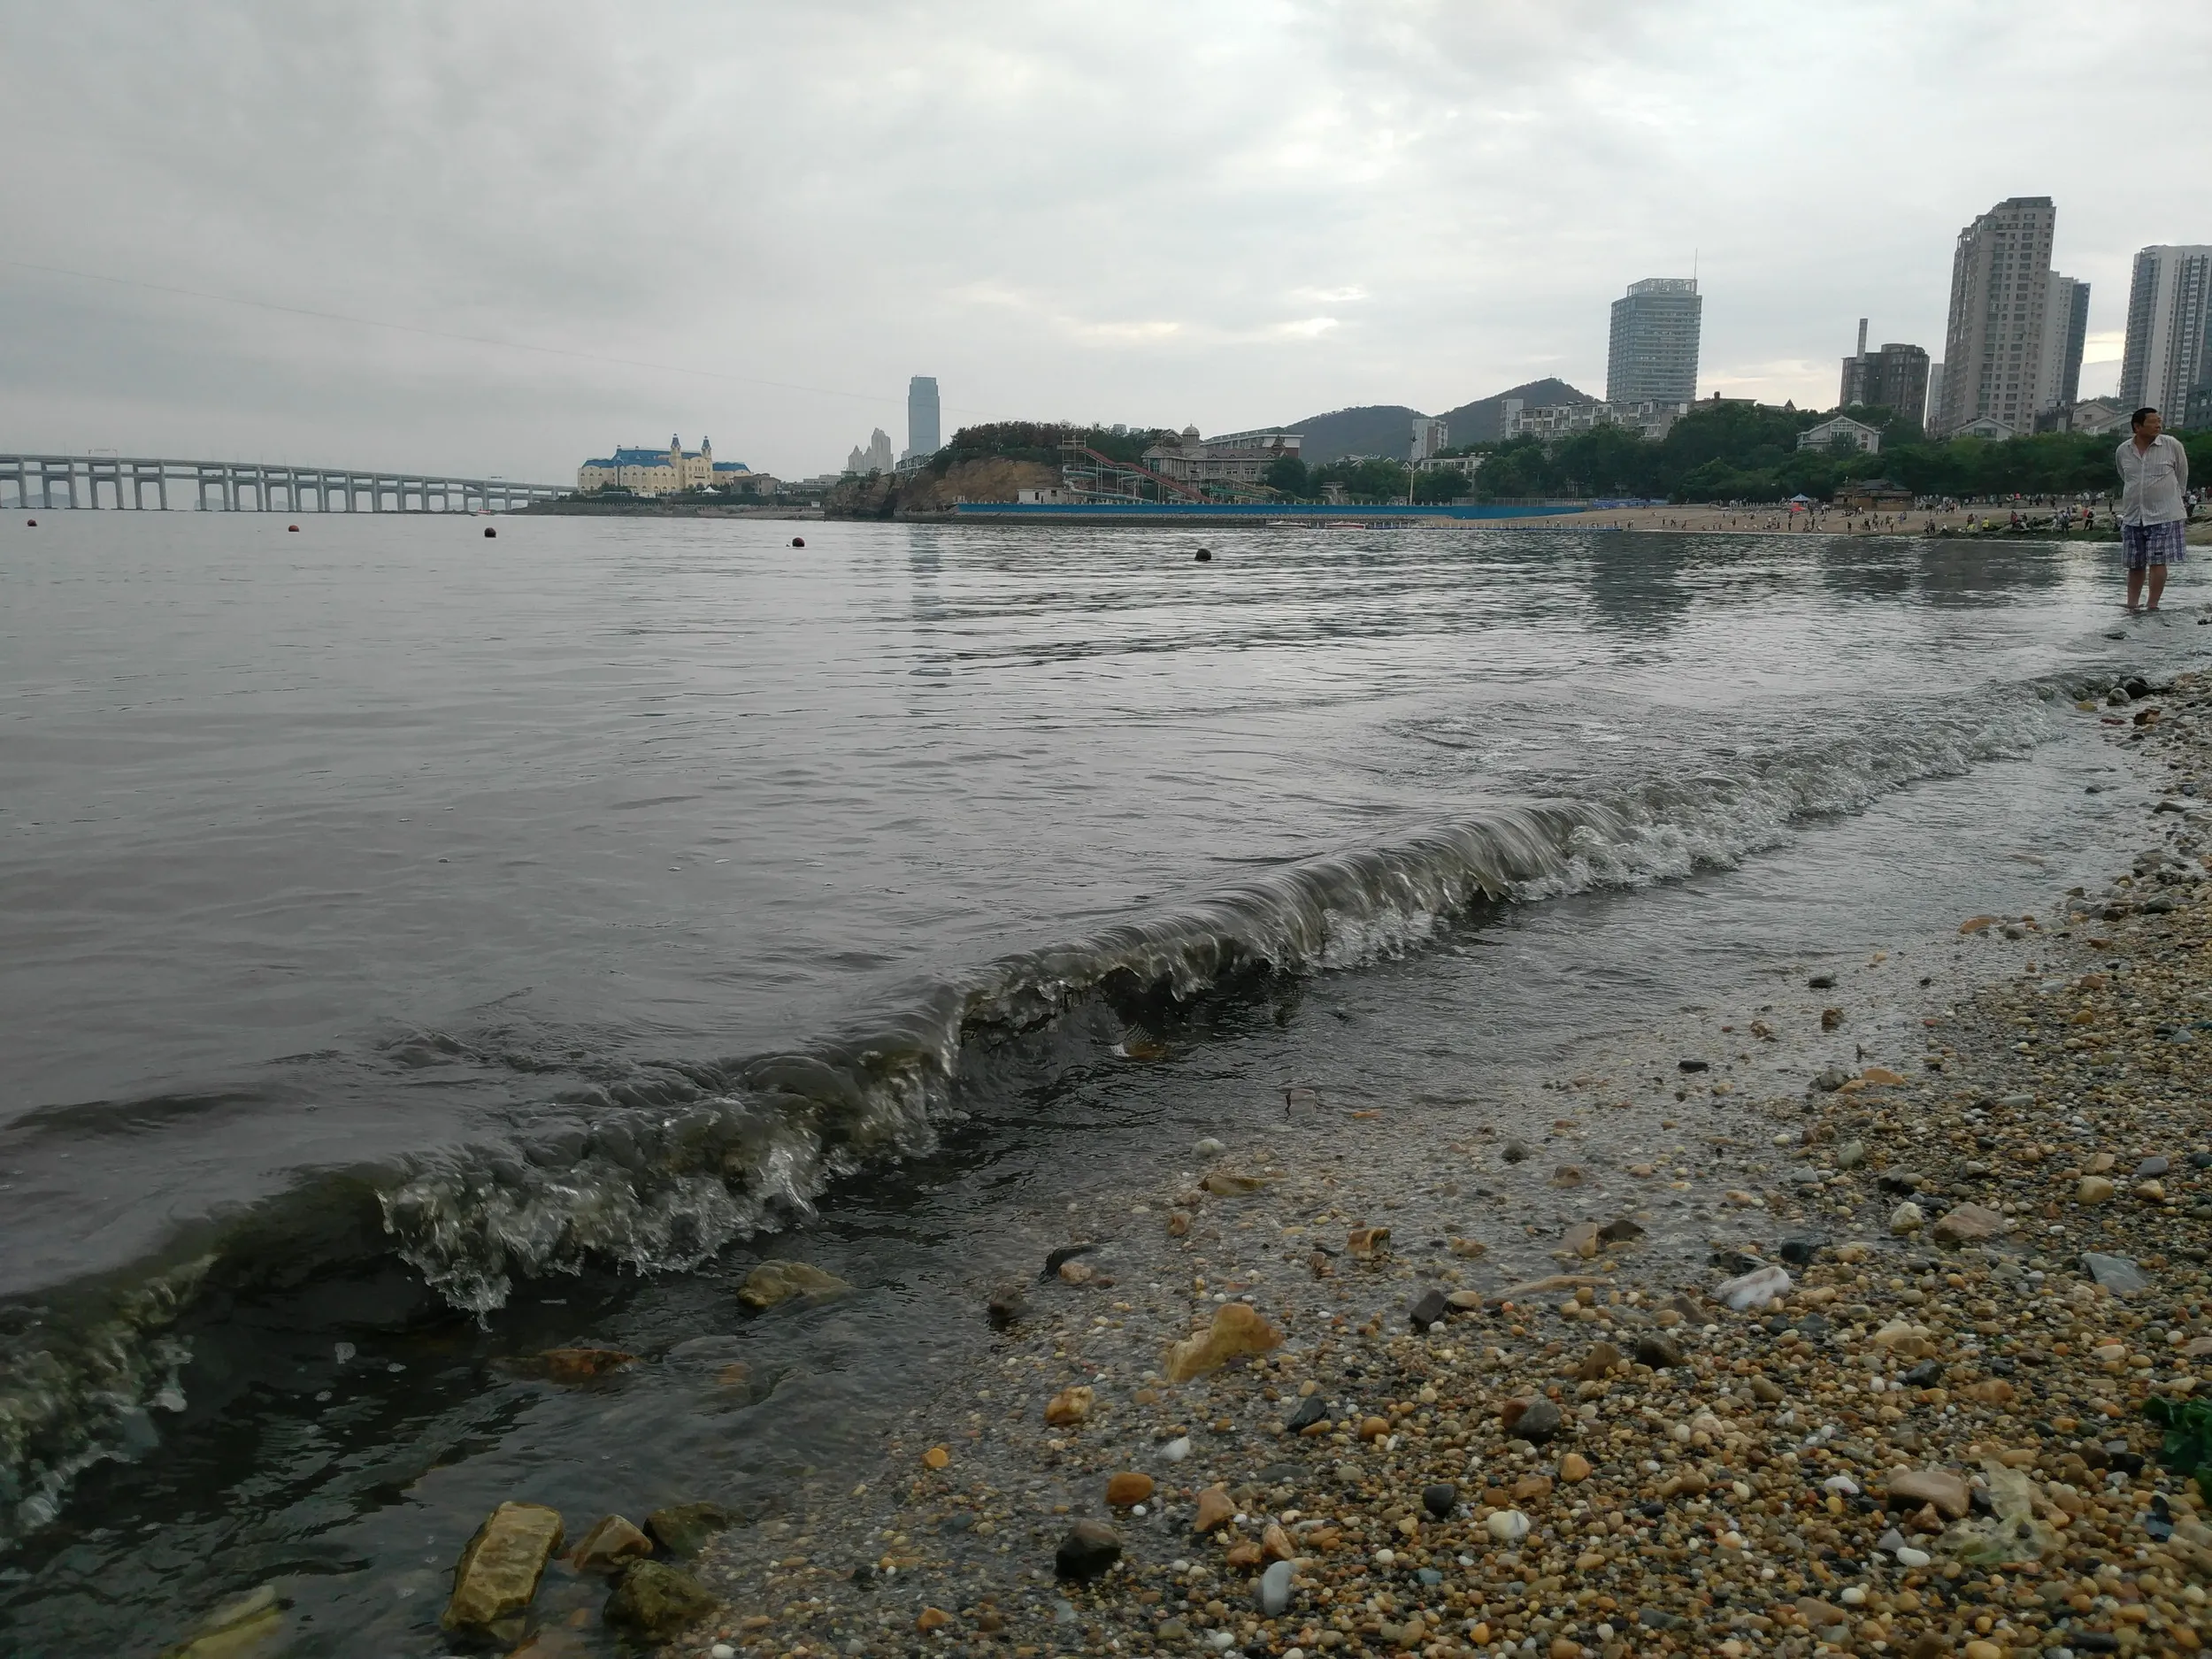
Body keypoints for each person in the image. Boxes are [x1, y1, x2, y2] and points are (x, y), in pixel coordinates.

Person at [2116, 406, 2190, 612]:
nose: (2159, 425)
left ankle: (2152, 606)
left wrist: (2174, 499)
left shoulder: (2172, 445)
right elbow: (2125, 476)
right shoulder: (2123, 450)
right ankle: (2132, 605)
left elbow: (2182, 476)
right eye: (2153, 422)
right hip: (2133, 515)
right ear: (2137, 427)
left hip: (2164, 514)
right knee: (2135, 563)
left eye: (2159, 421)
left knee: (2158, 561)